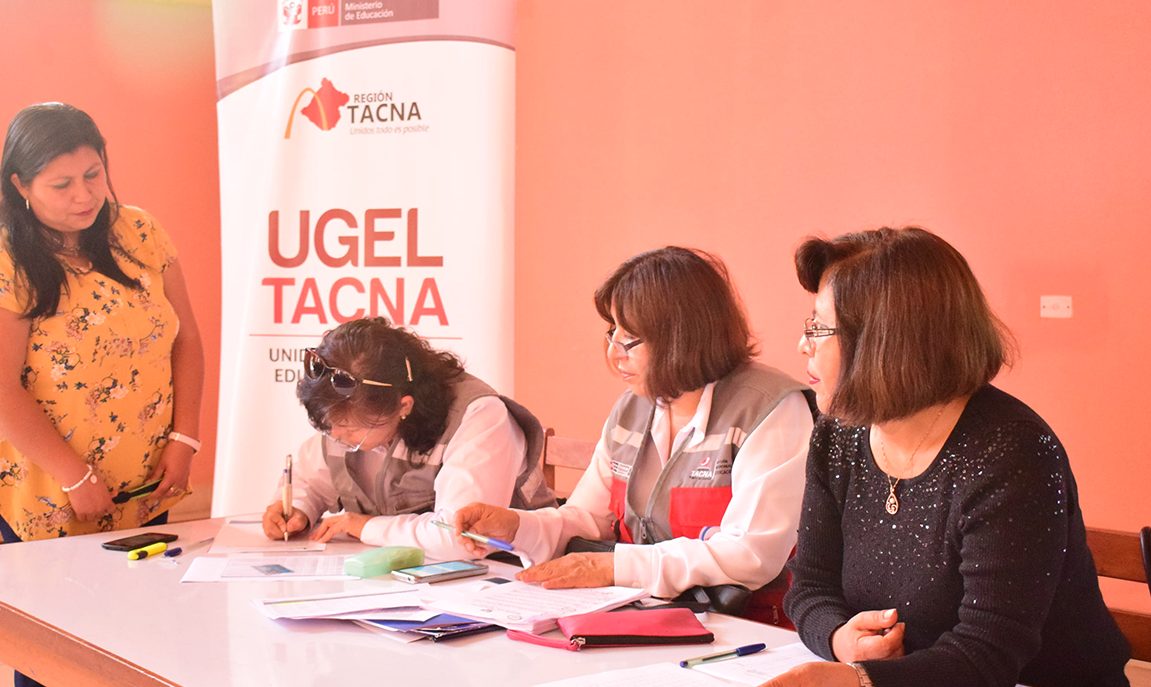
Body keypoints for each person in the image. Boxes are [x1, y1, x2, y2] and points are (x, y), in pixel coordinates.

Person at [763, 227, 1129, 687]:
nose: (804, 344)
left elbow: (989, 653)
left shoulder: (1010, 454)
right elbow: (810, 584)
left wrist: (859, 681)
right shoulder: (838, 436)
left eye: (819, 327)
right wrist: (839, 639)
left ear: (883, 341)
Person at [453, 247, 816, 624]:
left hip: (749, 628)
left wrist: (614, 566)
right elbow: (588, 519)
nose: (614, 354)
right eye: (612, 333)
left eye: (631, 339)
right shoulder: (632, 407)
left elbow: (750, 554)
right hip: (646, 617)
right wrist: (517, 527)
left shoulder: (770, 409)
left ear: (684, 336)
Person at [0, 103, 204, 543]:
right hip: (52, 487)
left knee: (143, 586)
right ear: (21, 185)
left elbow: (185, 338)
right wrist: (74, 476)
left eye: (93, 174)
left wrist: (185, 439)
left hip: (146, 480)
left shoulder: (139, 232)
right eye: (62, 184)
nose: (84, 195)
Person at [262, 317, 557, 558]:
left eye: (351, 432)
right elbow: (310, 480)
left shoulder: (479, 416)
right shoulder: (346, 412)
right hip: (403, 577)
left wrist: (368, 527)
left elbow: (461, 538)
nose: (337, 438)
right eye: (327, 428)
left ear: (403, 406)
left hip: (507, 576)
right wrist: (297, 508)